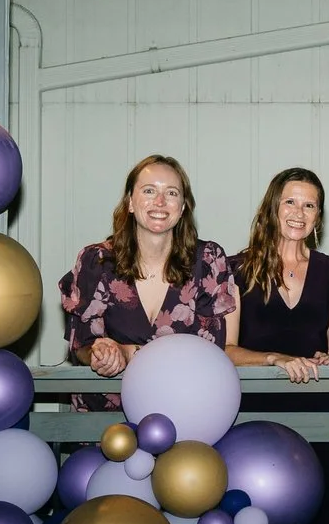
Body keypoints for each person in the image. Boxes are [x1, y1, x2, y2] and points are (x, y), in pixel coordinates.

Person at [57, 154, 238, 410]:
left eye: (172, 193)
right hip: (107, 418)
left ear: (184, 206)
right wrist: (102, 353)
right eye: (149, 190)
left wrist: (130, 352)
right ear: (131, 202)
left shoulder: (208, 261)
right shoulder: (96, 261)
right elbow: (82, 347)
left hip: (185, 410)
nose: (160, 202)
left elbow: (210, 352)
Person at [225, 167, 329, 524]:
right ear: (272, 208)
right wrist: (273, 360)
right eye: (290, 202)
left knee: (319, 508)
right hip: (255, 411)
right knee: (252, 514)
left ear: (319, 217)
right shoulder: (237, 270)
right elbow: (228, 350)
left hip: (318, 404)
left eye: (309, 205)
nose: (299, 212)